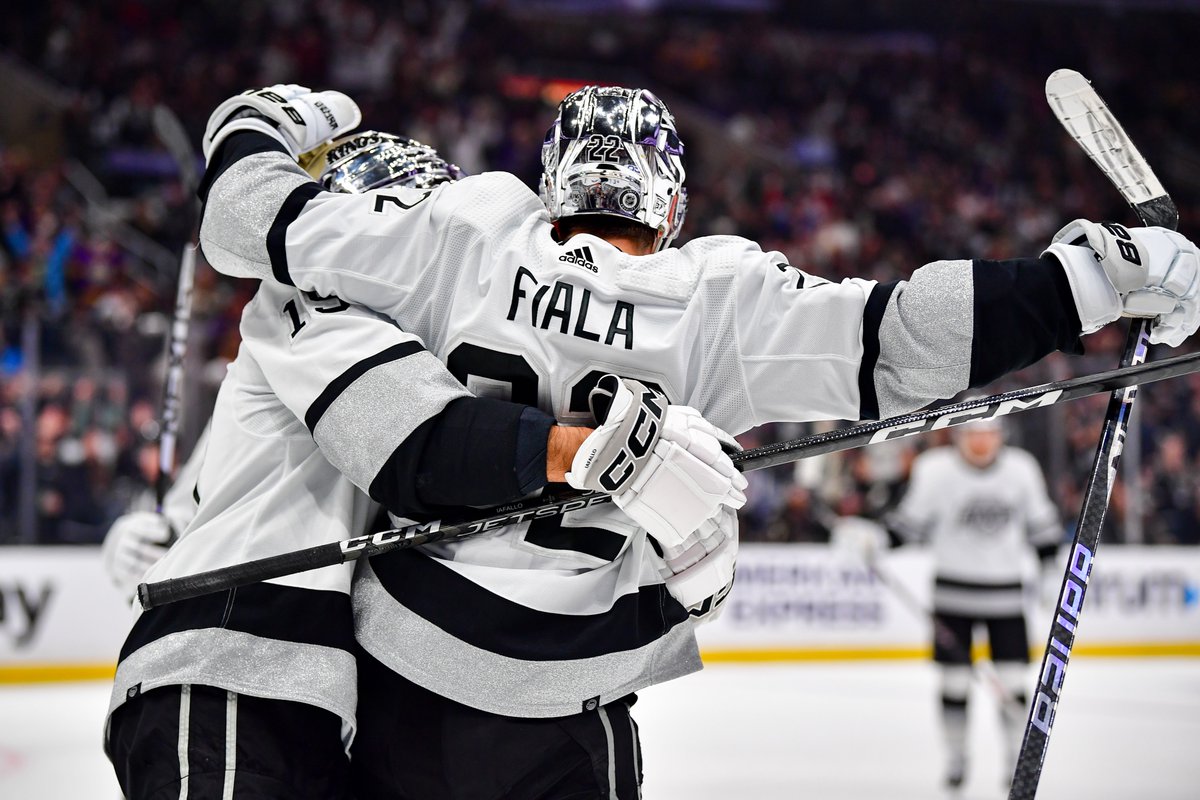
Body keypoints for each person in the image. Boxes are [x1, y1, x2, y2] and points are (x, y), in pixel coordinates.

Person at [196, 83, 1200, 797]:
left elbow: (247, 226)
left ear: (554, 176)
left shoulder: (465, 224)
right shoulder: (720, 296)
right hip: (569, 703)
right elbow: (905, 335)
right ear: (668, 197)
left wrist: (254, 122)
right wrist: (1092, 277)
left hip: (402, 677)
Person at [104, 109, 747, 800]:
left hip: (340, 698)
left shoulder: (456, 350)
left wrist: (687, 556)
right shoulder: (312, 311)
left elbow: (551, 517)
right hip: (236, 666)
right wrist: (162, 534)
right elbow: (259, 473)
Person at [863, 418, 1062, 790]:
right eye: (973, 435)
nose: (981, 443)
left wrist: (1050, 567)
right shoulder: (935, 470)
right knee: (954, 683)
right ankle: (956, 758)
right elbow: (908, 527)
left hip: (1005, 594)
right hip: (952, 594)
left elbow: (1042, 524)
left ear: (1000, 436)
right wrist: (874, 540)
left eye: (988, 435)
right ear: (959, 436)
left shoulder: (1021, 470)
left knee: (1012, 681)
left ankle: (1013, 760)